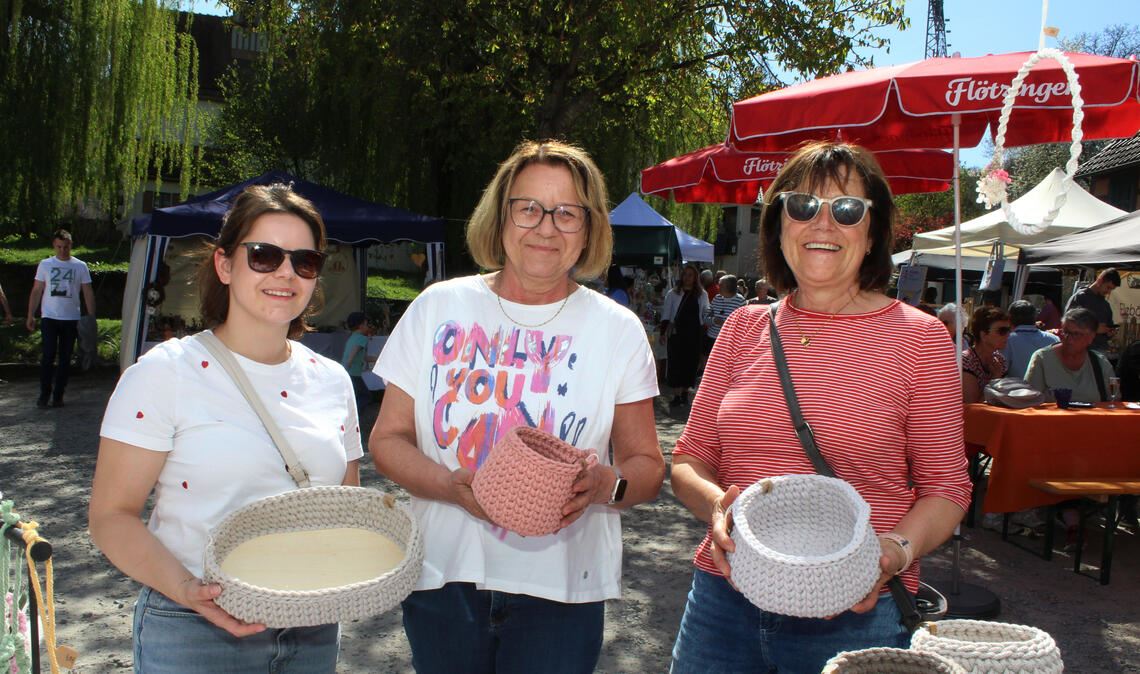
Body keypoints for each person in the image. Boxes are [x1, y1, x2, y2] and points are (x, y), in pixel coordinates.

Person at [669, 141, 971, 673]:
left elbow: (947, 488)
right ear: (778, 223)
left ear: (873, 231)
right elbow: (690, 459)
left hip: (858, 608)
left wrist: (894, 553)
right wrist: (721, 508)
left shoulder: (920, 339)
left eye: (848, 209)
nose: (822, 224)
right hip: (725, 599)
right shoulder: (742, 328)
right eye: (803, 206)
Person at [369, 139, 665, 674]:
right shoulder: (439, 306)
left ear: (590, 228)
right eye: (528, 208)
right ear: (500, 216)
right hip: (444, 579)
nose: (545, 227)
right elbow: (387, 439)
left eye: (566, 213)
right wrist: (450, 488)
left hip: (562, 591)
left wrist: (606, 485)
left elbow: (646, 466)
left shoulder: (617, 329)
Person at [89, 184, 362, 673]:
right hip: (194, 629)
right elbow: (111, 515)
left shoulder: (333, 380)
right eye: (264, 255)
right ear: (225, 265)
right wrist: (186, 591)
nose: (285, 273)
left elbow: (344, 509)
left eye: (304, 261)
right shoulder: (165, 372)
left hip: (311, 629)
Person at [26, 229, 95, 408]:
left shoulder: (80, 266)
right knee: (48, 355)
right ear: (54, 246)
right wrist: (30, 315)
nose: (62, 251)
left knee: (65, 358)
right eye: (59, 247)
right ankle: (44, 393)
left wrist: (91, 316)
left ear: (70, 246)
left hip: (71, 317)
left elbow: (87, 291)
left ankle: (58, 395)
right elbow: (36, 290)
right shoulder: (45, 264)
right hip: (49, 316)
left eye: (65, 247)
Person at [1025, 307, 1115, 404]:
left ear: (1091, 337)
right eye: (1066, 332)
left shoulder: (1100, 363)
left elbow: (1113, 401)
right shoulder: (1042, 359)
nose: (1069, 339)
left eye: (1076, 334)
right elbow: (1029, 401)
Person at [661, 264, 710, 407]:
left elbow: (706, 313)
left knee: (690, 364)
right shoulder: (673, 293)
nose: (687, 277)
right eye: (685, 274)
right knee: (676, 363)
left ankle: (685, 394)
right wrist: (663, 332)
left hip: (694, 334)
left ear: (695, 277)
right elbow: (666, 313)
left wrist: (714, 320)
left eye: (690, 275)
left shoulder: (702, 294)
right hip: (677, 334)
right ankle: (676, 395)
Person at [962, 306, 1010, 405]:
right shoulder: (966, 361)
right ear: (983, 335)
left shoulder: (1000, 359)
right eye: (1002, 331)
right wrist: (995, 378)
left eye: (1008, 330)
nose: (1008, 335)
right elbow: (973, 406)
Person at [1065, 268, 1120, 353]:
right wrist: (1094, 328)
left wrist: (1109, 333)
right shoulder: (1080, 298)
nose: (1108, 292)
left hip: (1101, 352)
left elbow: (1108, 327)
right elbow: (1068, 325)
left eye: (1111, 289)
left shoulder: (1106, 305)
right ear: (1100, 281)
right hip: (1081, 352)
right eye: (1108, 287)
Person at [1001, 299, 1059, 380]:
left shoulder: (1007, 340)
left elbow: (1001, 370)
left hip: (1017, 390)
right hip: (1048, 391)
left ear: (1009, 319)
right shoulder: (1053, 339)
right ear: (1035, 317)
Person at [341, 310, 374, 417]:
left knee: (356, 396)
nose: (367, 326)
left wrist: (379, 359)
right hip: (352, 373)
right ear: (361, 326)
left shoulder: (353, 337)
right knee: (365, 396)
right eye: (366, 324)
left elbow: (363, 357)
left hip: (349, 372)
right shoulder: (362, 338)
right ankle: (354, 417)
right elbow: (354, 352)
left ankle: (352, 416)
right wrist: (349, 363)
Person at [705, 273, 745, 353]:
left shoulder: (741, 301)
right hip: (711, 338)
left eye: (720, 285)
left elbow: (743, 324)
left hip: (728, 341)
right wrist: (714, 320)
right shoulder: (716, 298)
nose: (717, 287)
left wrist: (727, 324)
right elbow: (706, 317)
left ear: (728, 286)